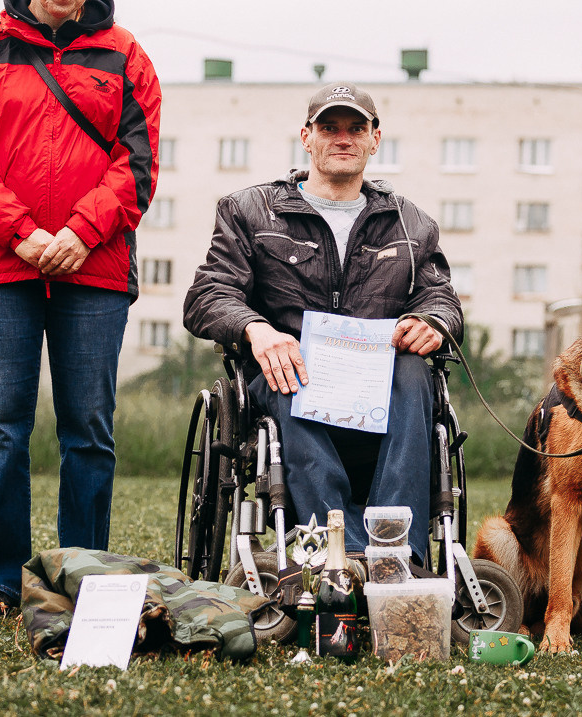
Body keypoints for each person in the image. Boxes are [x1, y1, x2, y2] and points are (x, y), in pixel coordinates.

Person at [0, 0, 161, 617]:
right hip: (0, 267)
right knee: (0, 428)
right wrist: (26, 235)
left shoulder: (127, 57)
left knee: (88, 429)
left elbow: (137, 167)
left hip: (94, 268)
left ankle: (82, 578)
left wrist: (80, 233)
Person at [183, 83, 463, 561]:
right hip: (290, 375)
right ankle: (339, 554)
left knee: (414, 369)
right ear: (306, 137)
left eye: (356, 128)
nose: (343, 138)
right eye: (329, 127)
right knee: (287, 369)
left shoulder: (411, 224)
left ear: (375, 139)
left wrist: (434, 321)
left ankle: (397, 551)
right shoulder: (249, 210)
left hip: (378, 384)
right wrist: (257, 329)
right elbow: (208, 294)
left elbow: (442, 297)